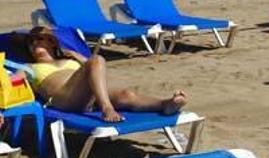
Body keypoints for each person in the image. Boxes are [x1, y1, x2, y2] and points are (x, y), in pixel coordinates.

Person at [22, 26, 187, 123]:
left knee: (126, 94)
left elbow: (94, 71)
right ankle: (107, 108)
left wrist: (75, 55)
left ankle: (165, 104)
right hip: (63, 100)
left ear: (52, 43)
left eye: (39, 39)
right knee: (97, 59)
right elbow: (10, 83)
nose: (34, 43)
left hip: (88, 97)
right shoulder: (28, 67)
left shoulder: (71, 59)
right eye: (31, 42)